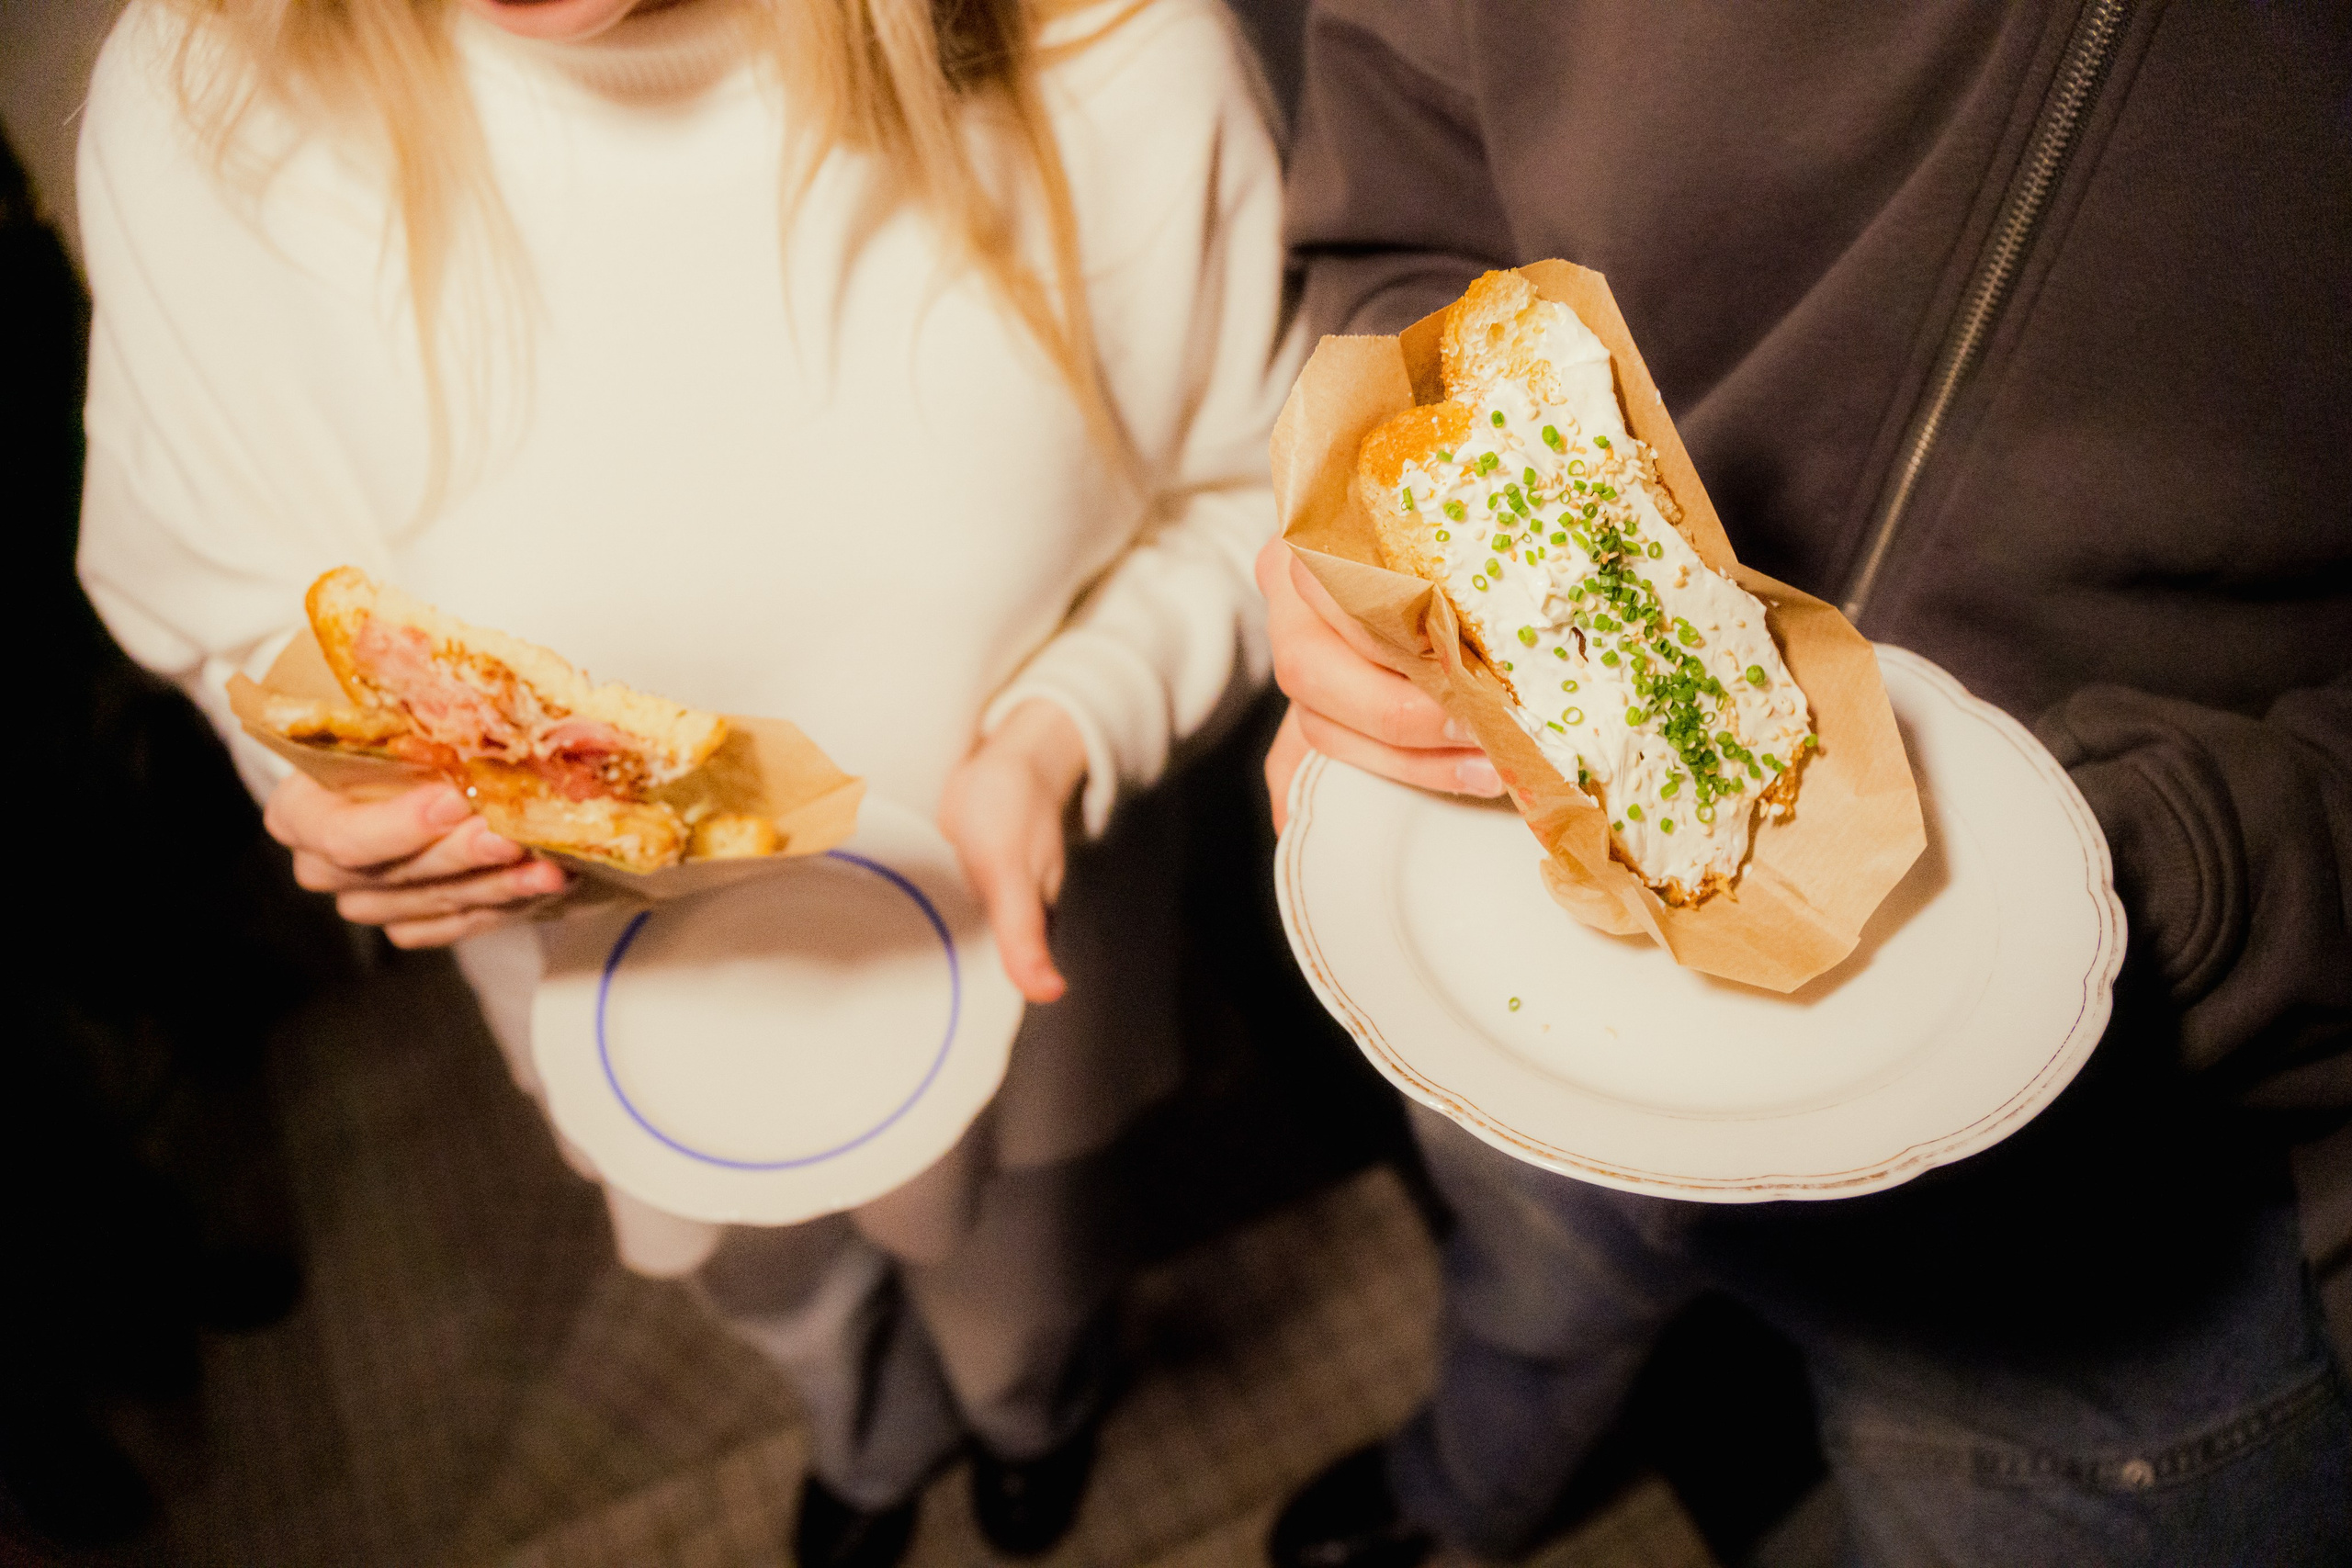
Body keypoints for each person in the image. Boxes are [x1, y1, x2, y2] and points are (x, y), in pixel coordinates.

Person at [74, 0, 1297, 1561]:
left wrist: (1079, 719)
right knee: (775, 1292)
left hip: (1029, 967)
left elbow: (1251, 493)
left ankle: (1030, 1420)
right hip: (608, 1011)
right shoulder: (204, 100)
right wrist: (338, 782)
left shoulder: (1112, 41)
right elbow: (216, 600)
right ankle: (870, 1434)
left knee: (1029, 1274)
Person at [1258, 3, 2352, 1564]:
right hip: (1519, 922)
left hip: (2157, 1160)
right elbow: (1409, 172)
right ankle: (1466, 1495)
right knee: (1531, 1290)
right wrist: (1383, 528)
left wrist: (2172, 865)